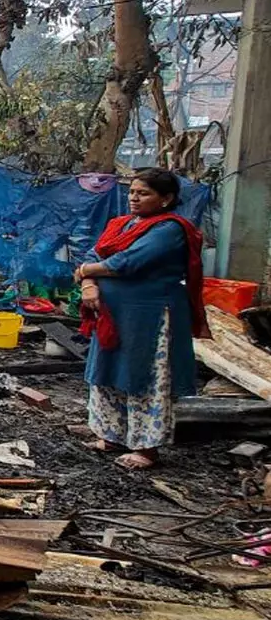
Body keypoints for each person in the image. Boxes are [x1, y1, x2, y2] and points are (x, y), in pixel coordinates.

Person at [74, 169, 209, 470]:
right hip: (114, 314)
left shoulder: (171, 229)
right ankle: (109, 435)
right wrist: (88, 282)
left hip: (149, 316)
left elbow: (128, 263)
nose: (134, 198)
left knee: (146, 377)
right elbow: (91, 254)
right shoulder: (121, 225)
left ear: (166, 199)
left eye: (143, 193)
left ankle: (147, 448)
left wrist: (88, 270)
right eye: (132, 191)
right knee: (108, 370)